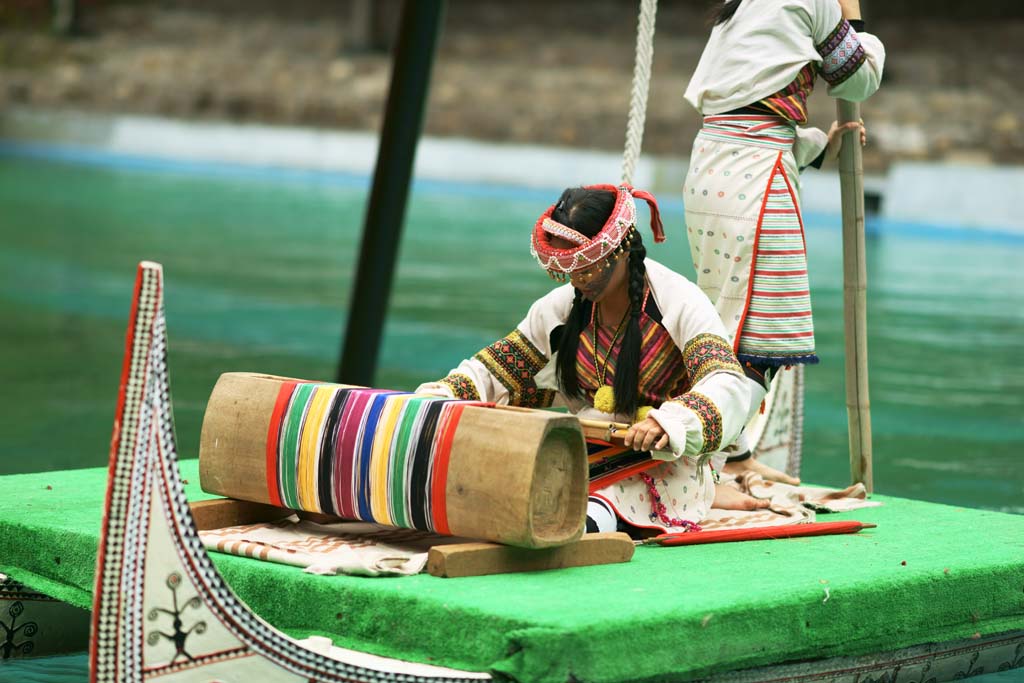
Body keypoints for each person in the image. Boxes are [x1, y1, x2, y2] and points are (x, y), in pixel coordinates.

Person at [417, 184, 767, 534]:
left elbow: (726, 381)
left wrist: (671, 423)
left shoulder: (679, 301)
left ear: (622, 248)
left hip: (662, 465)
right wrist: (438, 397)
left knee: (582, 511)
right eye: (571, 268)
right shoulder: (561, 306)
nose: (578, 279)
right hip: (583, 451)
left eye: (588, 267)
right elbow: (497, 371)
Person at [681, 0, 885, 482]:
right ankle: (700, 460)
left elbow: (742, 109)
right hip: (756, 176)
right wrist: (855, 22)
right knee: (760, 346)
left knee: (724, 329)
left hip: (711, 167)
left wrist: (815, 144)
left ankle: (732, 456)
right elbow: (858, 76)